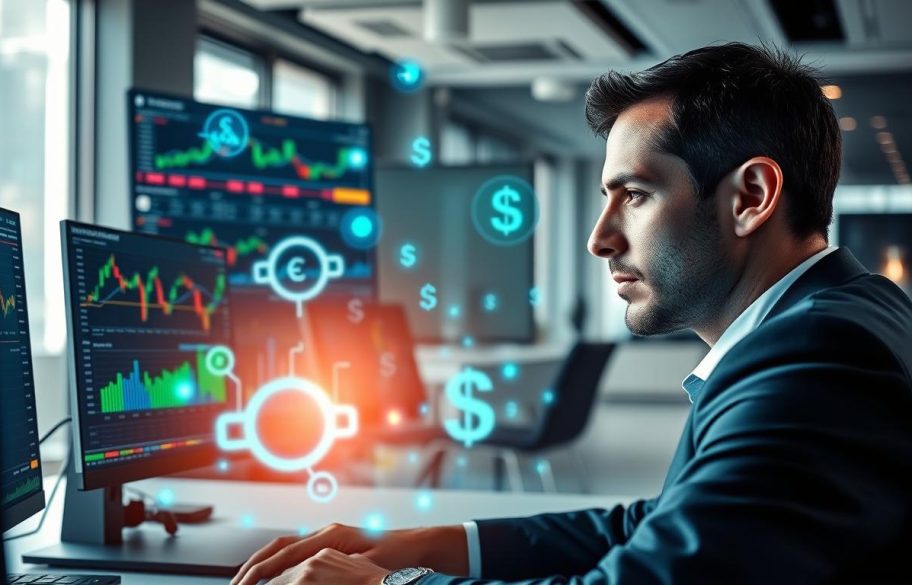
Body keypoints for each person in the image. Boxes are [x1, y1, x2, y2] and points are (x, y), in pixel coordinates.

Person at [230, 42, 912, 585]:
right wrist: (429, 542)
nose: (599, 238)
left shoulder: (814, 357)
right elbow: (665, 525)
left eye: (634, 195)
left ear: (750, 196)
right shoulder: (847, 312)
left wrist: (389, 583)